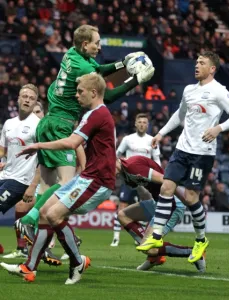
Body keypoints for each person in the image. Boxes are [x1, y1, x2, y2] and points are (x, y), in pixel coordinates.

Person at [16, 24, 154, 235]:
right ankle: (30, 218)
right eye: (97, 43)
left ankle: (41, 241)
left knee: (47, 186)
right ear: (85, 44)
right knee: (67, 183)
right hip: (61, 124)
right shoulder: (83, 68)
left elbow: (97, 71)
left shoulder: (71, 54)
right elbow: (104, 96)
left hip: (47, 121)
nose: (99, 47)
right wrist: (135, 80)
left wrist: (122, 63)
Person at [1, 73, 116, 285]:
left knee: (53, 214)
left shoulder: (96, 114)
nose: (77, 95)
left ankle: (77, 261)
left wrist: (38, 145)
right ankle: (29, 267)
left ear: (93, 92)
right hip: (89, 177)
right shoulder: (93, 114)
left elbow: (72, 143)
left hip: (97, 180)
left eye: (80, 92)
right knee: (45, 213)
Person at [137, 51, 229, 264]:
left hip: (202, 154)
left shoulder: (219, 91)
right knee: (167, 187)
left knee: (192, 197)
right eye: (196, 62)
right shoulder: (189, 90)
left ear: (212, 69)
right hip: (182, 149)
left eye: (202, 63)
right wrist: (161, 133)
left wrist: (218, 129)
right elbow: (179, 114)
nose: (196, 66)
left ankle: (201, 240)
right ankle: (156, 236)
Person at [115, 156, 206, 273]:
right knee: (123, 215)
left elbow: (167, 181)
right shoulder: (125, 175)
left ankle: (194, 252)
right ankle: (154, 256)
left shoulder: (132, 166)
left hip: (172, 204)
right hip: (157, 202)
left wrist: (184, 199)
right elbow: (145, 192)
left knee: (150, 248)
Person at [111, 113, 161, 247]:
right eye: (139, 122)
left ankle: (140, 235)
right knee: (122, 205)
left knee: (144, 206)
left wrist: (159, 175)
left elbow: (156, 160)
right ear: (135, 124)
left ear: (148, 125)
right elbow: (117, 154)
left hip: (145, 180)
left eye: (144, 122)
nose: (142, 124)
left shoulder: (152, 140)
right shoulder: (128, 139)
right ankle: (116, 238)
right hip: (128, 178)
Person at [2, 100, 44, 259]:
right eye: (33, 112)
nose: (35, 115)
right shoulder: (22, 132)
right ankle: (23, 247)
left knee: (49, 214)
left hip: (45, 181)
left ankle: (44, 244)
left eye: (38, 111)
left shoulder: (44, 131)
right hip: (24, 179)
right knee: (21, 207)